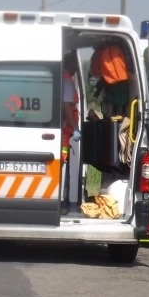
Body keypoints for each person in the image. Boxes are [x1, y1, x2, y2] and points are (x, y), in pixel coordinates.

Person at [61, 52, 82, 214]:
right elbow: (67, 107)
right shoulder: (67, 81)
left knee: (63, 163)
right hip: (64, 133)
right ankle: (62, 198)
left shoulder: (61, 77)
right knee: (62, 164)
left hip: (64, 132)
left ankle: (62, 197)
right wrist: (75, 128)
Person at [90, 42, 130, 116]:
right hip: (121, 81)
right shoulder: (117, 47)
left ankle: (117, 115)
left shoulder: (99, 53)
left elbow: (95, 71)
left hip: (110, 82)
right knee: (120, 105)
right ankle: (120, 114)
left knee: (115, 106)